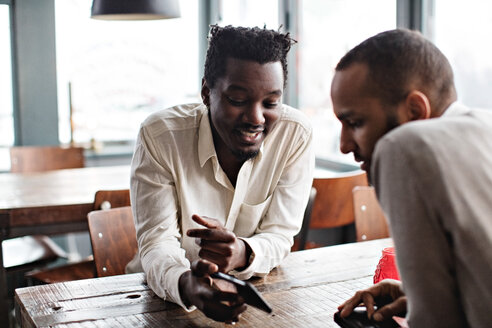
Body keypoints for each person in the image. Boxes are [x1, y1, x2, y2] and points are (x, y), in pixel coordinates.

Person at [126, 25, 314, 323]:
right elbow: (157, 243)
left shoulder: (295, 135)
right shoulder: (160, 136)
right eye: (238, 100)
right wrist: (188, 285)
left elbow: (280, 234)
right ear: (206, 93)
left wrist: (242, 252)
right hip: (161, 304)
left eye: (271, 103)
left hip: (255, 302)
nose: (256, 118)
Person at [332, 29, 492, 327]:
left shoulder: (404, 148)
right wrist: (414, 295)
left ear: (415, 111)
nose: (344, 145)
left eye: (355, 123)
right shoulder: (484, 127)